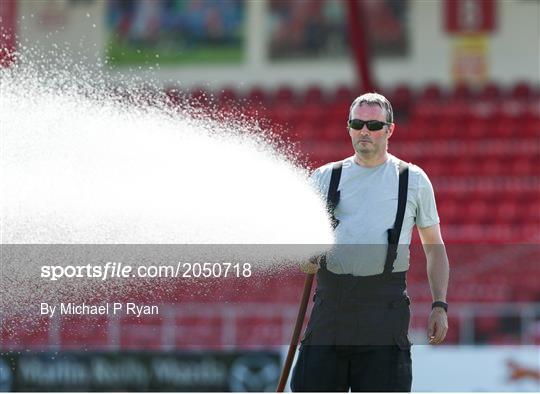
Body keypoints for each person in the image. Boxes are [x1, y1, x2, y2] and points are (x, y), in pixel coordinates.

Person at [291, 92, 449, 392]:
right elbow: (303, 253)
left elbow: (435, 249)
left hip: (384, 311)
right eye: (357, 123)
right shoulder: (323, 178)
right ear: (348, 127)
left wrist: (439, 305)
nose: (365, 131)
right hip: (331, 309)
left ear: (390, 130)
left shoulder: (413, 180)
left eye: (374, 126)